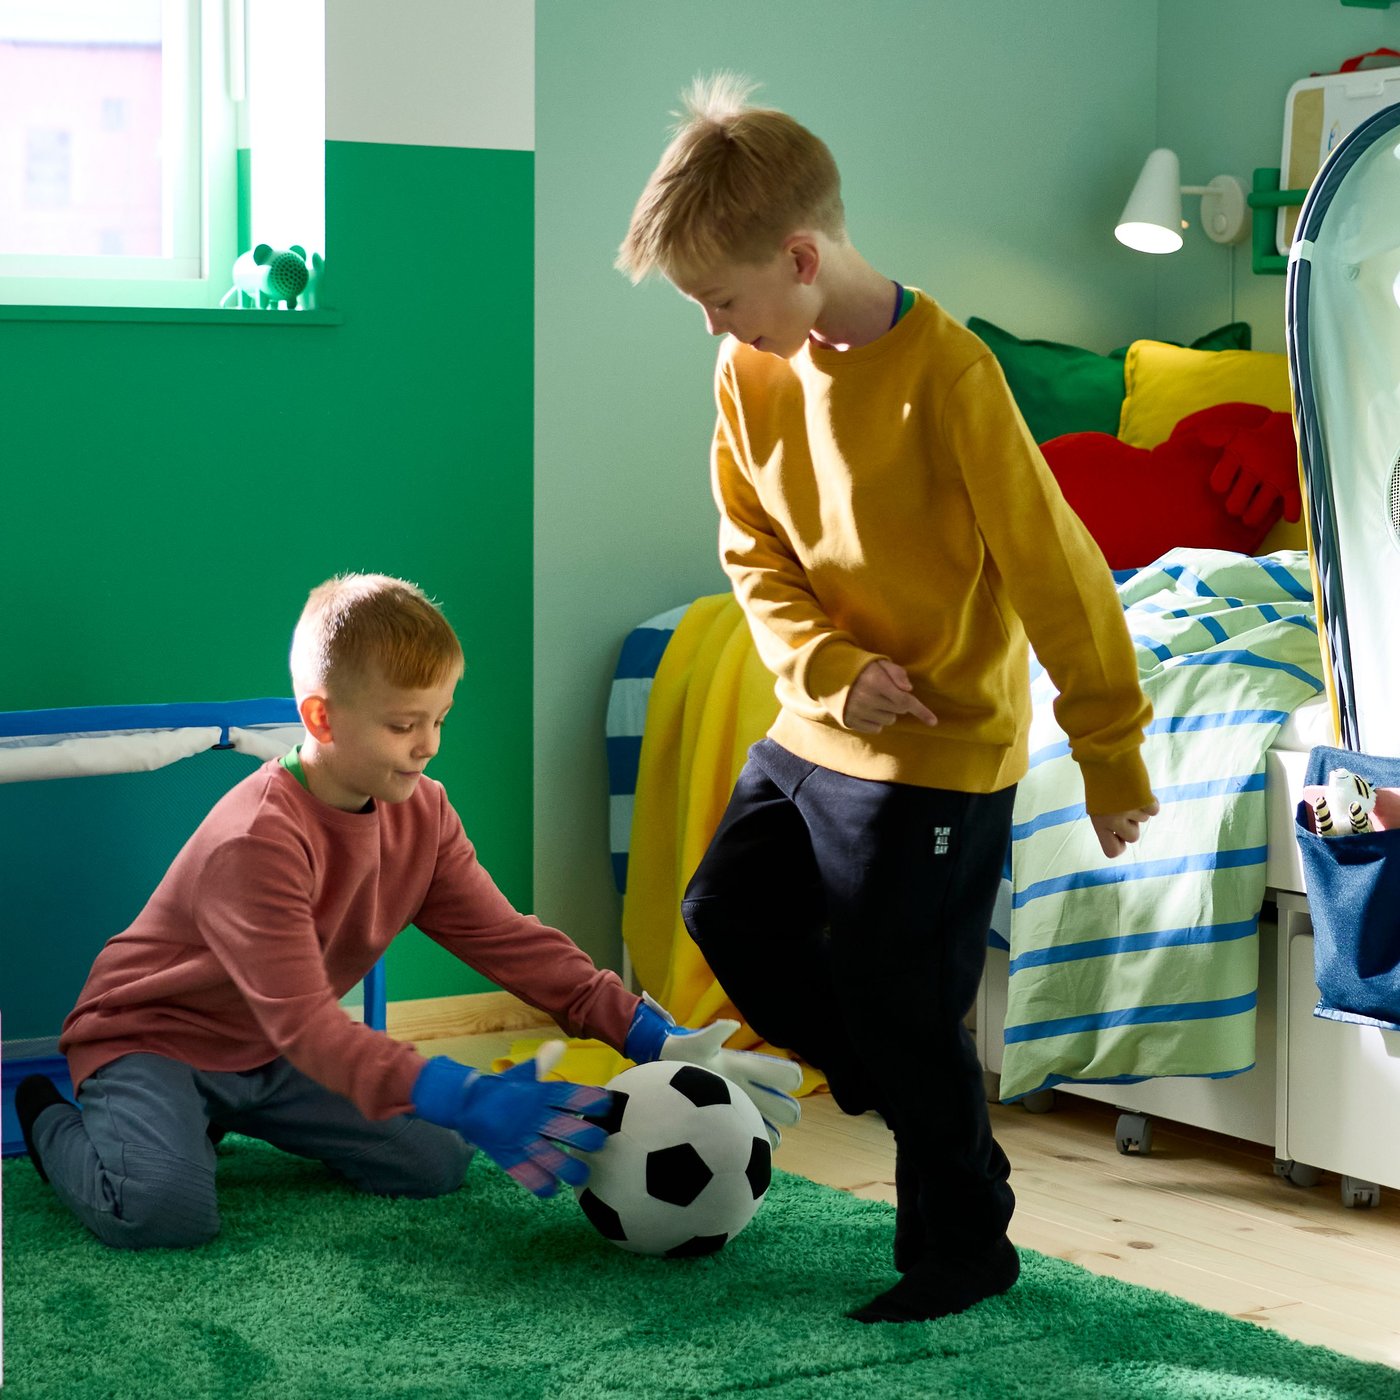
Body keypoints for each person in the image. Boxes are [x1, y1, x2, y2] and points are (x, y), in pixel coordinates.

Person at [617, 76, 1159, 1324]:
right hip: (818, 721)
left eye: (721, 300)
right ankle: (922, 1104)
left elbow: (1060, 572)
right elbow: (749, 550)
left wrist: (1109, 745)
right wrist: (824, 669)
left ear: (800, 258)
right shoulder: (750, 370)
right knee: (725, 912)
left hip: (936, 751)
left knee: (901, 998)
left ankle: (961, 1247)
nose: (713, 327)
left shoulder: (954, 377)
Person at [17, 572, 801, 1250]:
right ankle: (56, 1120)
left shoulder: (423, 813)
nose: (428, 746)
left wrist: (651, 1033)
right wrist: (470, 1092)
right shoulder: (256, 842)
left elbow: (509, 942)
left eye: (439, 720)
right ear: (322, 719)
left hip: (274, 1053)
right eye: (403, 725)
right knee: (163, 1213)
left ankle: (203, 1124)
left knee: (435, 1161)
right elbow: (312, 1029)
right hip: (158, 1038)